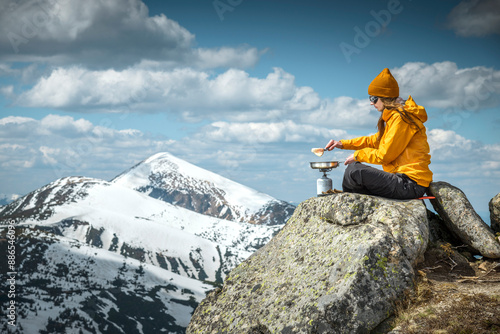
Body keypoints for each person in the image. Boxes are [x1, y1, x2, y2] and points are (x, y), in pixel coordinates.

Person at [324, 68, 432, 200]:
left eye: (374, 99)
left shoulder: (402, 119)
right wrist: (342, 144)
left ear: (385, 98)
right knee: (353, 171)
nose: (371, 103)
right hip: (401, 180)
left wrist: (358, 155)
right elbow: (376, 140)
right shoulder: (394, 118)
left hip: (409, 184)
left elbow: (385, 155)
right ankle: (352, 203)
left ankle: (349, 204)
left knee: (355, 171)